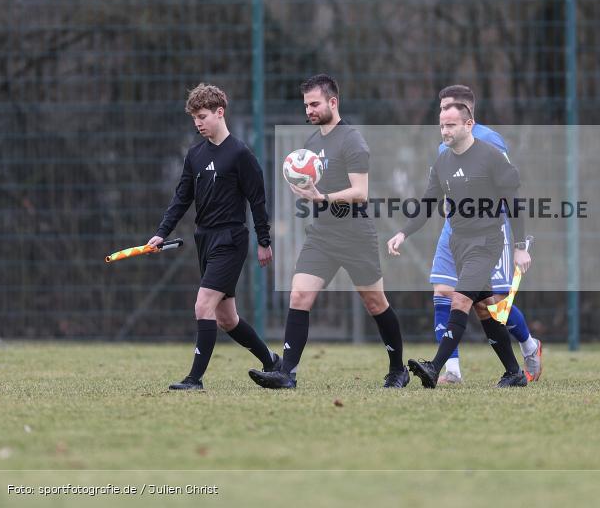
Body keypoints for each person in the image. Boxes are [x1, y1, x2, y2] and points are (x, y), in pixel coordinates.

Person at [248, 74, 409, 389]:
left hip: (356, 235)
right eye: (306, 104)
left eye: (315, 104)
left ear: (333, 102)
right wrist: (304, 188)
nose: (309, 110)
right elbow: (315, 187)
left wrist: (322, 197)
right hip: (322, 234)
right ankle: (286, 374)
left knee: (375, 303)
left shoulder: (352, 140)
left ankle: (398, 369)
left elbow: (360, 192)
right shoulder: (312, 143)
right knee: (299, 295)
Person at [388, 101, 531, 388]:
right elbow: (428, 203)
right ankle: (514, 372)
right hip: (459, 243)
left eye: (451, 124)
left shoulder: (491, 157)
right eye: (442, 125)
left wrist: (520, 245)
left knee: (460, 299)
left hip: (487, 243)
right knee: (485, 309)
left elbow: (513, 202)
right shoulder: (443, 161)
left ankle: (435, 366)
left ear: (469, 124)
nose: (445, 130)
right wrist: (404, 233)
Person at [149, 83, 280, 391]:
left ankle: (195, 379)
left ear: (220, 113)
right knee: (226, 318)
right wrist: (160, 234)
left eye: (203, 116)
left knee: (202, 305)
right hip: (204, 240)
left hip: (231, 240)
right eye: (194, 117)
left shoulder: (240, 154)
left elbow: (257, 200)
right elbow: (181, 199)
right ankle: (272, 361)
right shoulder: (194, 155)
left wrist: (264, 240)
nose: (198, 123)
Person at [429, 85, 542, 384]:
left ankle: (529, 344)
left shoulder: (491, 142)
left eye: (447, 108)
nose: (442, 114)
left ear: (467, 112)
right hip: (454, 230)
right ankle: (451, 369)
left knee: (490, 303)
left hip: (490, 231)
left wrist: (517, 242)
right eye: (440, 109)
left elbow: (506, 191)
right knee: (443, 291)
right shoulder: (445, 143)